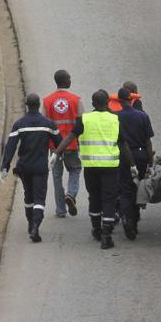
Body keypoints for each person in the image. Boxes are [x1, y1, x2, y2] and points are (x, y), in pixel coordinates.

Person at [55, 90, 133, 249]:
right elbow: (123, 144)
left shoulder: (84, 119)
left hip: (91, 167)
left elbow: (70, 137)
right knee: (109, 199)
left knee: (94, 197)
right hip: (110, 167)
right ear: (107, 103)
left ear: (92, 103)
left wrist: (56, 153)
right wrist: (132, 165)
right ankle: (107, 235)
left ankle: (96, 229)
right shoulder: (115, 118)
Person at [1, 94, 62, 242]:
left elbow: (10, 147)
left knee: (28, 196)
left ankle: (30, 224)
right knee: (39, 198)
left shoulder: (19, 124)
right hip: (41, 167)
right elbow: (59, 142)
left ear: (26, 104)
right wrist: (56, 155)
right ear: (38, 104)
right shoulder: (48, 124)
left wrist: (5, 166)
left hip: (25, 167)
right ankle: (35, 226)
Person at [43, 70, 83, 218]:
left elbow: (44, 124)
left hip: (54, 147)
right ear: (66, 81)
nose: (70, 80)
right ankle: (71, 194)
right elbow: (81, 124)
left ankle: (60, 210)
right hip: (71, 145)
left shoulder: (47, 101)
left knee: (57, 177)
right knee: (75, 169)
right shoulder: (76, 100)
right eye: (69, 78)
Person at [115, 87, 154, 239]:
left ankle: (126, 218)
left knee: (125, 189)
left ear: (118, 100)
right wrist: (150, 163)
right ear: (131, 99)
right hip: (140, 155)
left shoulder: (115, 117)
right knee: (138, 187)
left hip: (123, 156)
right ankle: (135, 221)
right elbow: (148, 141)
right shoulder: (142, 116)